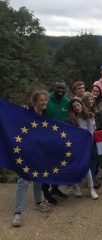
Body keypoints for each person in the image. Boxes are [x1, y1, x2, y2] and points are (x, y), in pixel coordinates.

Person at [12, 90, 51, 227]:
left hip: (38, 152)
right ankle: (17, 213)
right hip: (25, 151)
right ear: (35, 101)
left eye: (45, 100)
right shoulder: (26, 111)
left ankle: (38, 202)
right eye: (41, 100)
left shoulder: (45, 116)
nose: (44, 102)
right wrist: (21, 109)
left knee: (38, 176)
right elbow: (14, 117)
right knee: (23, 180)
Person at [43, 82, 70, 203]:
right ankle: (45, 192)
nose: (60, 90)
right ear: (53, 88)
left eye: (62, 89)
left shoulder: (67, 101)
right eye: (58, 88)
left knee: (59, 165)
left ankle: (55, 188)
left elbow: (74, 112)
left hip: (61, 138)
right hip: (46, 138)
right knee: (46, 165)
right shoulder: (47, 99)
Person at [67, 98, 98, 200]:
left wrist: (86, 144)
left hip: (85, 145)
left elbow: (90, 133)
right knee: (74, 166)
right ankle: (76, 187)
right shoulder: (71, 119)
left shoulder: (89, 116)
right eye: (74, 107)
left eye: (78, 105)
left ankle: (91, 189)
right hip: (74, 146)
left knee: (86, 166)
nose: (76, 108)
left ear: (81, 105)